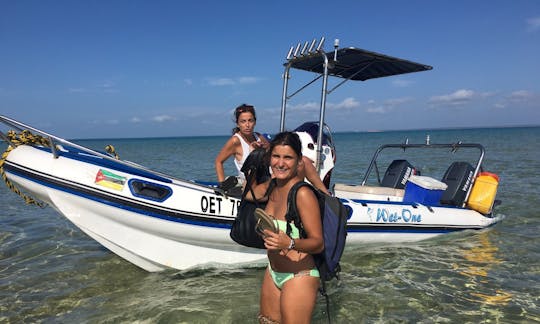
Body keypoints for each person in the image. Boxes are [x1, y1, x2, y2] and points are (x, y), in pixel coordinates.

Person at [251, 132, 324, 324]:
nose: (281, 163)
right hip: (273, 271)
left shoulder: (302, 194)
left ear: (299, 161)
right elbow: (248, 195)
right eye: (276, 156)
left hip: (299, 276)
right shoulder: (272, 187)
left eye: (288, 157)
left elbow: (318, 243)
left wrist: (289, 242)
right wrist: (253, 162)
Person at [215, 104, 269, 186]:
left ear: (255, 122)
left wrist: (265, 148)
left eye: (250, 120)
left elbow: (274, 153)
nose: (247, 125)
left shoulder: (258, 137)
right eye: (243, 121)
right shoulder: (235, 141)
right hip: (248, 187)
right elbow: (218, 161)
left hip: (265, 183)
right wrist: (222, 185)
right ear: (237, 124)